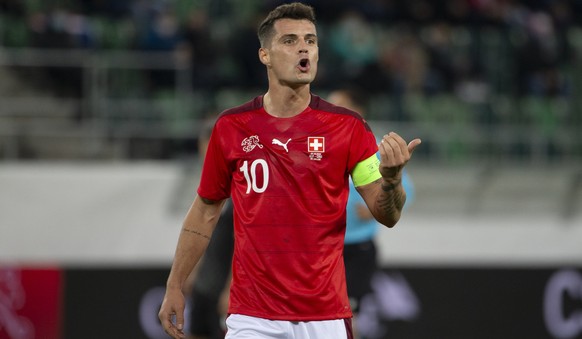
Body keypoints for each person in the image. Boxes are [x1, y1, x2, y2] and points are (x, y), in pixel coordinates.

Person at [158, 3, 421, 339]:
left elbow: (387, 215)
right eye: (290, 40)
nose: (303, 48)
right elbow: (204, 213)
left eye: (311, 41)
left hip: (325, 317)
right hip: (253, 317)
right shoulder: (231, 127)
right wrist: (175, 284)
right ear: (264, 54)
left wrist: (392, 180)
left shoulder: (350, 128)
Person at [328, 88, 415, 339]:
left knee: (348, 314)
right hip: (323, 248)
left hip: (357, 247)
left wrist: (374, 206)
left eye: (340, 106)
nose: (333, 112)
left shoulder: (372, 145)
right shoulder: (319, 145)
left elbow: (406, 188)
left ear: (358, 111)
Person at [186, 119, 234, 339]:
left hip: (224, 289)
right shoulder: (207, 188)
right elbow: (204, 236)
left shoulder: (238, 189)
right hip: (204, 286)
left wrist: (231, 289)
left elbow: (243, 245)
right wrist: (191, 272)